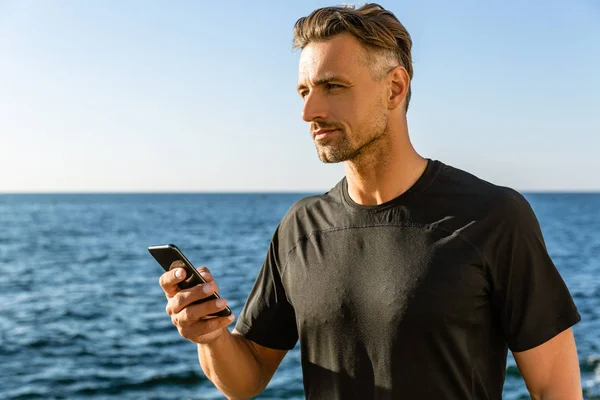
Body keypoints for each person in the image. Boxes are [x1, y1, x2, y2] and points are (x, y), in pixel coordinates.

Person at [159, 3, 582, 399]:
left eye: (332, 87)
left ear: (395, 88)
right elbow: (246, 378)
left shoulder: (493, 216)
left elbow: (555, 389)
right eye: (303, 90)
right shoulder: (301, 227)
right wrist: (211, 336)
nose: (309, 111)